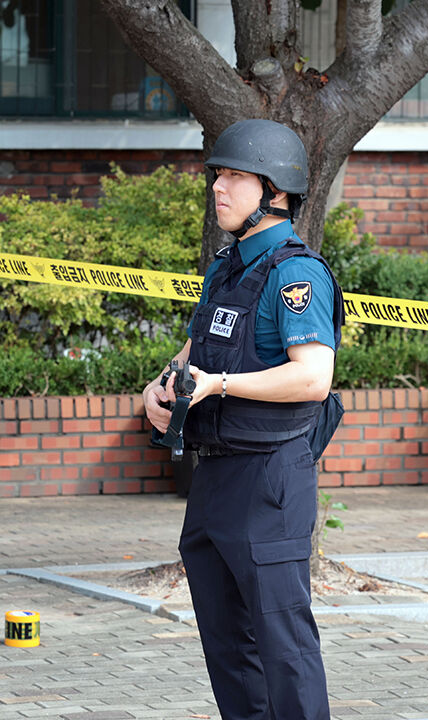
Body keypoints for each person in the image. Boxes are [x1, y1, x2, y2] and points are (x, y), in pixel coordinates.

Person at [142, 119, 343, 719]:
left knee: (283, 643)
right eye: (217, 175)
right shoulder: (226, 267)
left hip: (271, 478)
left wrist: (221, 384)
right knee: (227, 643)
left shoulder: (296, 274)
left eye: (233, 176)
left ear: (274, 191)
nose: (218, 188)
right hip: (216, 479)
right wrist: (157, 391)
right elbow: (193, 352)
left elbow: (313, 377)